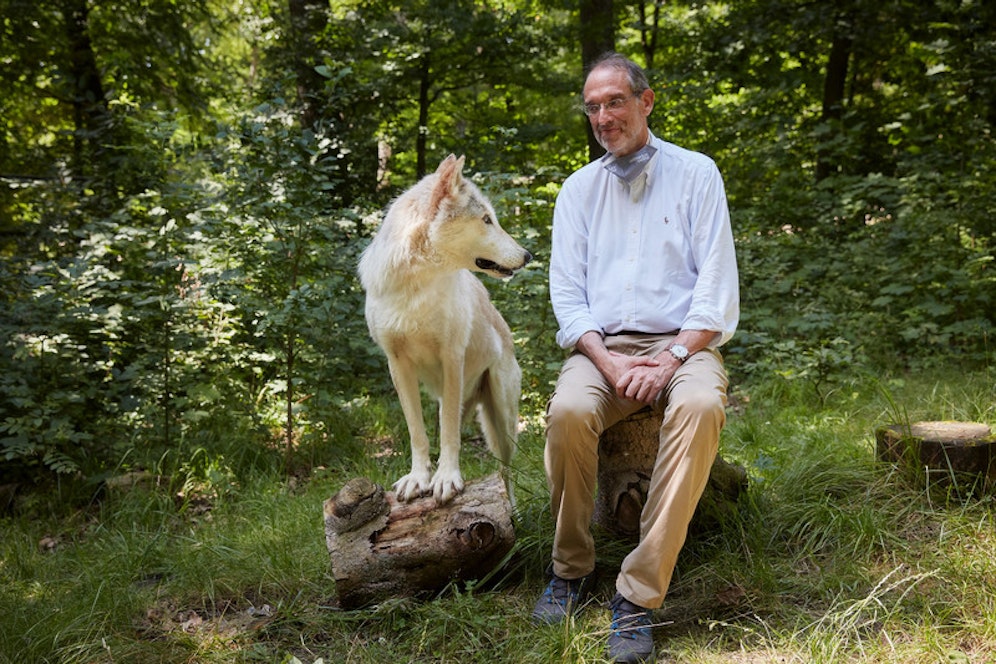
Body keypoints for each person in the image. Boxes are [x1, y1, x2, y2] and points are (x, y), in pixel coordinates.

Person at [531, 52, 740, 663]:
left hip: (686, 342)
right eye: (592, 107)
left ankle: (638, 593)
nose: (603, 116)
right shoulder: (577, 189)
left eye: (614, 101)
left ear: (646, 102)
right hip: (603, 349)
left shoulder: (697, 174)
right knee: (569, 411)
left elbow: (717, 289)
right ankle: (571, 568)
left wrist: (671, 357)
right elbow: (567, 295)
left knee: (700, 405)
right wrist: (609, 360)